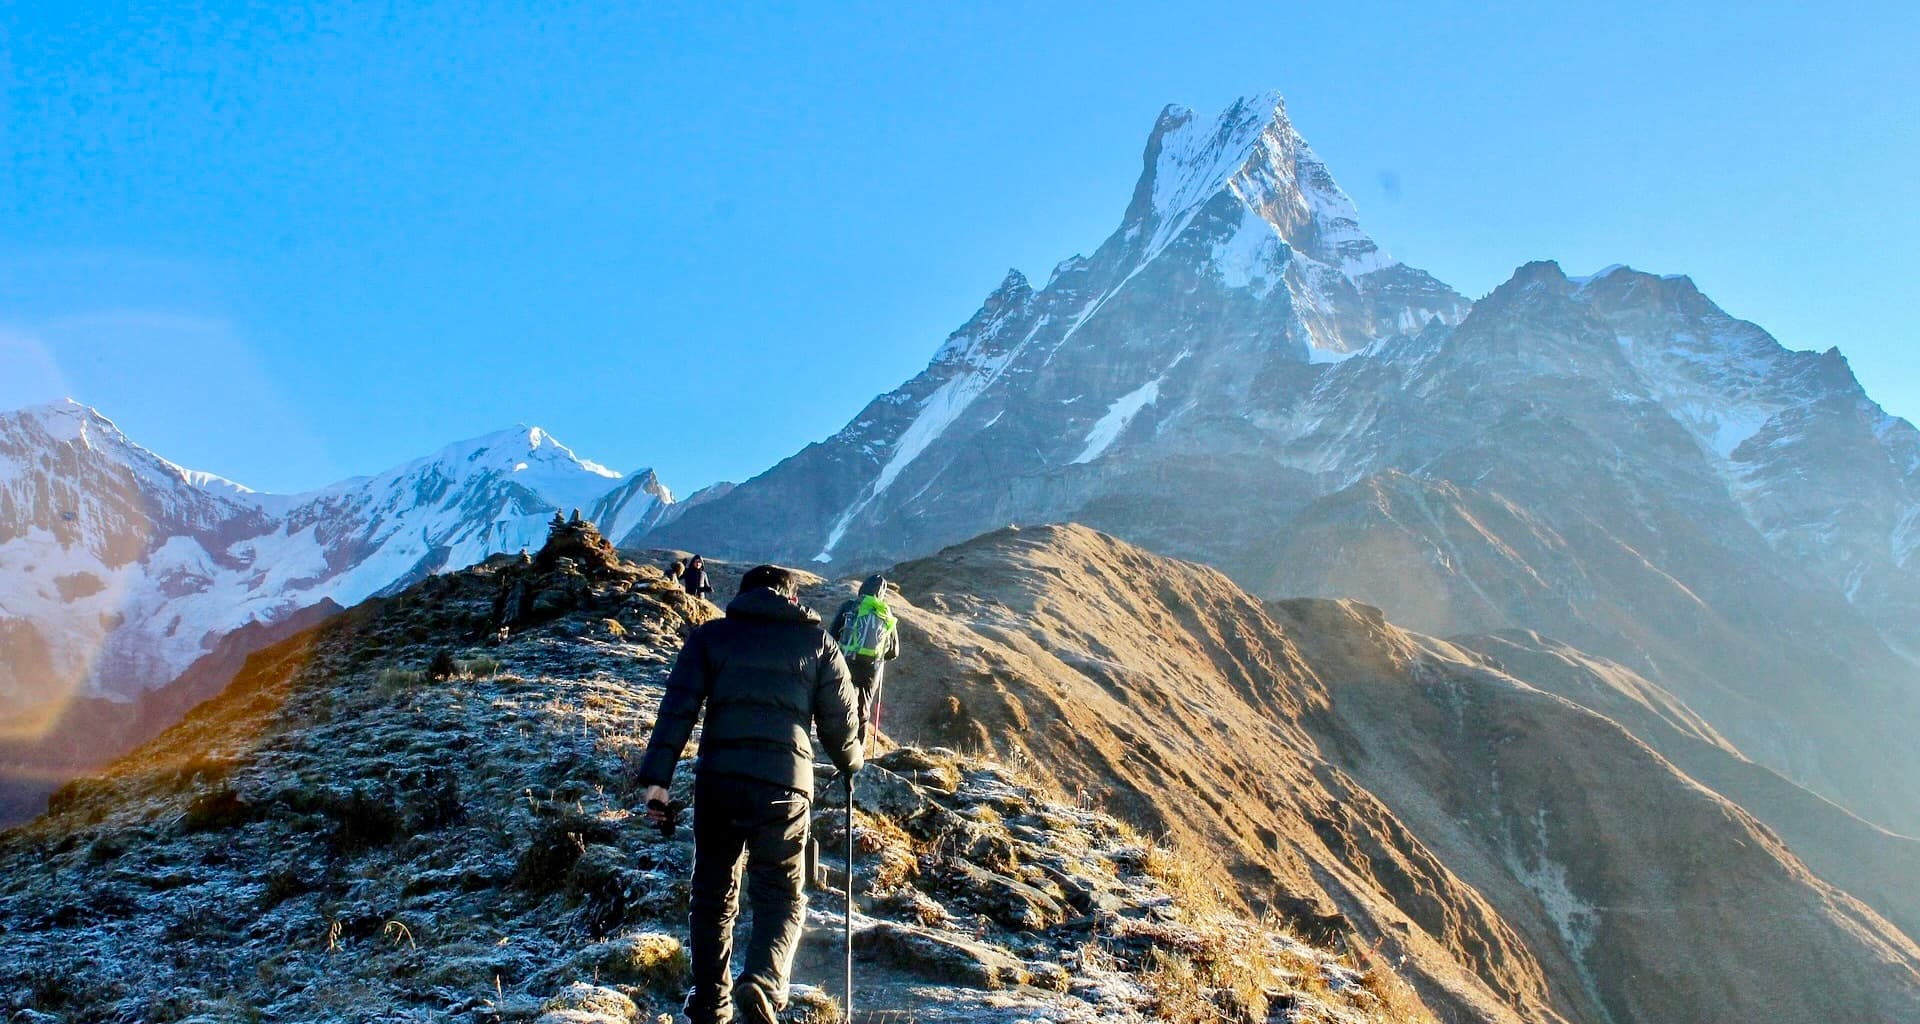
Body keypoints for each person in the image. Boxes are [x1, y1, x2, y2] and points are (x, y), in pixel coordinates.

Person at [636, 564, 863, 1024]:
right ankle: (762, 980)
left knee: (713, 892)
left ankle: (710, 1001)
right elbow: (841, 726)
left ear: (743, 595)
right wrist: (851, 763)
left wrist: (657, 781)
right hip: (785, 787)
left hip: (718, 782)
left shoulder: (710, 637)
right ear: (792, 598)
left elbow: (677, 709)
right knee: (781, 891)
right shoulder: (818, 643)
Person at [830, 574, 902, 743]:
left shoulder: (850, 606)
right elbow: (894, 652)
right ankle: (858, 753)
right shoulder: (884, 612)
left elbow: (832, 635)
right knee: (863, 709)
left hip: (847, 661)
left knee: (843, 703)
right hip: (872, 668)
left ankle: (839, 746)